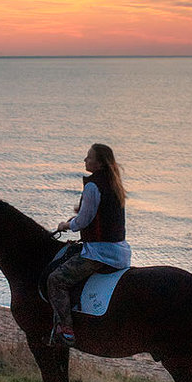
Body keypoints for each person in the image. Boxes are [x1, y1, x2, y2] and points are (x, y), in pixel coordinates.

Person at [48, 143, 131, 345]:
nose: (85, 160)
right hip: (120, 251)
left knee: (55, 280)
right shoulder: (113, 183)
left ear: (99, 162)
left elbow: (83, 221)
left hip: (99, 253)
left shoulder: (93, 185)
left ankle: (66, 330)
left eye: (89, 157)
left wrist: (65, 225)